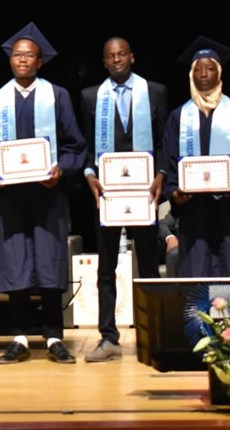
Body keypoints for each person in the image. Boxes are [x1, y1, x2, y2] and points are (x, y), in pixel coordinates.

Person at [0, 22, 87, 365]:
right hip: (12, 200)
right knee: (17, 266)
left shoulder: (57, 96)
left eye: (29, 56)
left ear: (40, 62)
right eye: (17, 55)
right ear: (10, 60)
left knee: (50, 264)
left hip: (48, 196)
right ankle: (20, 338)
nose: (23, 60)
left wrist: (61, 170)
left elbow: (75, 146)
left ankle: (55, 337)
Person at [78, 36, 167, 362]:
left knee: (147, 266)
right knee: (106, 269)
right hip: (107, 195)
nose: (116, 60)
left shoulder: (154, 92)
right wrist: (89, 174)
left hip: (144, 193)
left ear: (132, 57)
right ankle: (108, 338)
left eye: (121, 54)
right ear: (104, 62)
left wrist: (161, 176)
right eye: (109, 56)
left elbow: (163, 143)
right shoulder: (90, 97)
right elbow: (86, 146)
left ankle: (153, 334)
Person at [162, 36, 230, 277]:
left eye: (210, 68)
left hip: (229, 208)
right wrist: (175, 191)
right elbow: (170, 157)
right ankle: (197, 316)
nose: (204, 74)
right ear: (191, 75)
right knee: (196, 267)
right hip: (193, 210)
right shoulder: (179, 116)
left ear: (219, 73)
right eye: (198, 69)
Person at [157, 210, 179, 277]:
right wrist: (170, 237)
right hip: (180, 248)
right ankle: (173, 286)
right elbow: (162, 224)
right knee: (174, 253)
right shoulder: (179, 211)